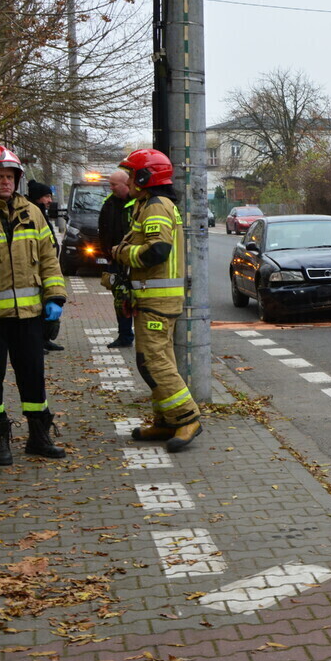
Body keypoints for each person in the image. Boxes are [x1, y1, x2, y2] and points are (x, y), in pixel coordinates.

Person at [0, 146, 67, 465]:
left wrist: (55, 298)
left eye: (10, 176)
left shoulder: (32, 212)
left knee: (33, 377)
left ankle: (39, 436)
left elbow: (49, 258)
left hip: (29, 316)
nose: (6, 182)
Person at [113, 149, 201, 452]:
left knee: (154, 362)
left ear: (145, 177)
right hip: (152, 298)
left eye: (132, 173)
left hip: (158, 299)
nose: (128, 179)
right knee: (154, 360)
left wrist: (122, 253)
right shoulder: (148, 205)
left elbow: (157, 251)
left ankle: (187, 417)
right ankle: (166, 420)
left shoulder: (156, 207)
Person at [98, 170, 134, 348]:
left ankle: (136, 334)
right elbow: (103, 229)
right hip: (115, 260)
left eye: (113, 184)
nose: (110, 188)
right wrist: (107, 255)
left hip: (133, 260)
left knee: (136, 299)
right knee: (120, 299)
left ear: (125, 184)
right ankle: (125, 335)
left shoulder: (137, 203)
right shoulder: (109, 203)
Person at [26, 180, 63, 352]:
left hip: (45, 271)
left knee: (46, 311)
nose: (49, 200)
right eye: (46, 197)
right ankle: (39, 341)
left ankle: (45, 339)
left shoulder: (41, 213)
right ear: (37, 197)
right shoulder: (32, 214)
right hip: (36, 273)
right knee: (38, 311)